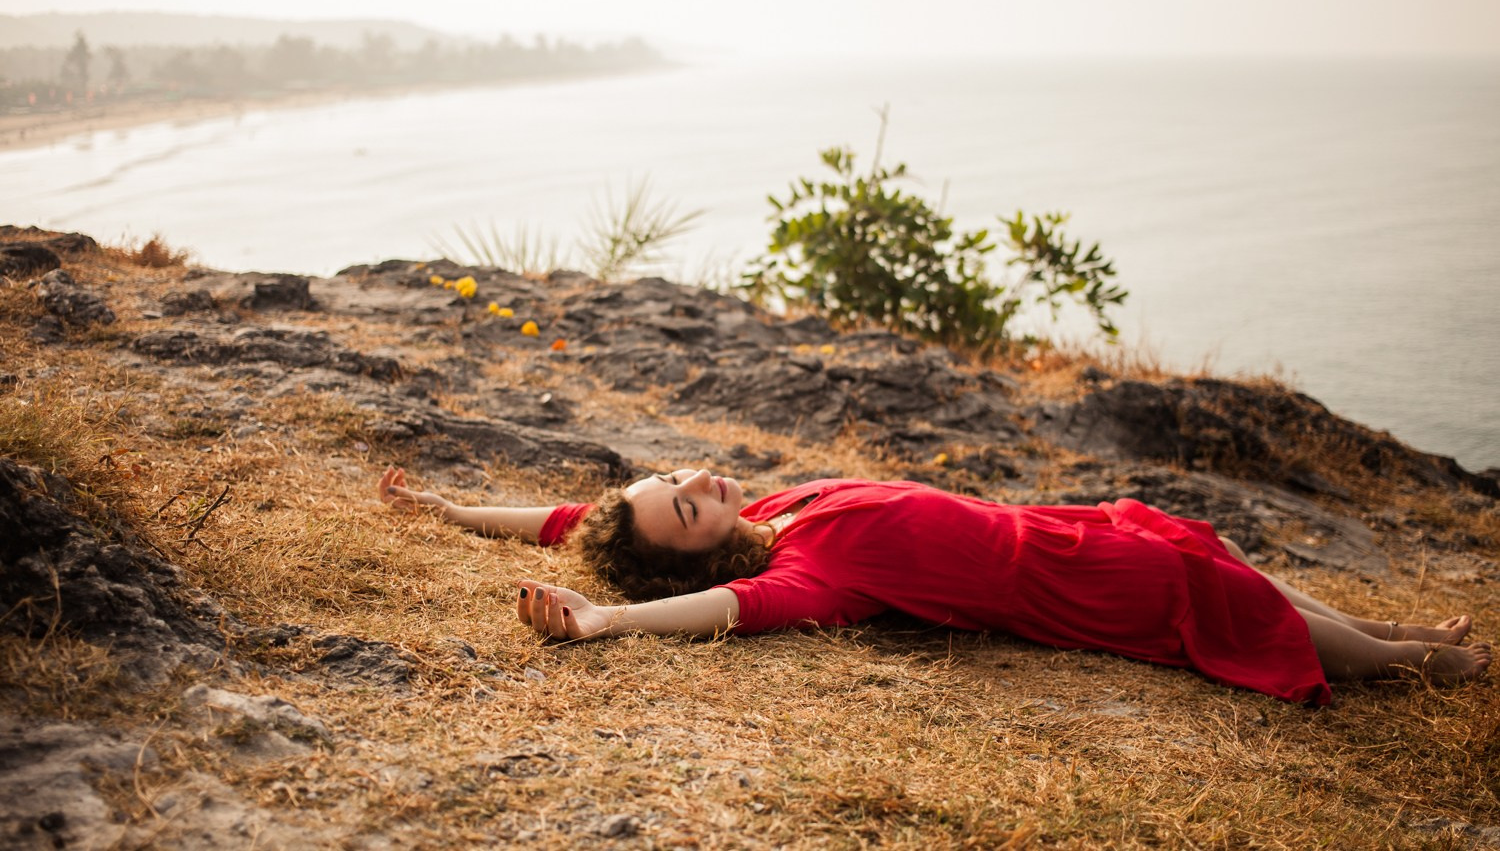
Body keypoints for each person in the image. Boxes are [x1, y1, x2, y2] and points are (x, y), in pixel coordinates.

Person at [377, 465, 1490, 704]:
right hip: (1075, 580)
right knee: (1243, 603)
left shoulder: (772, 515)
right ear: (700, 547)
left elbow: (575, 520)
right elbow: (726, 611)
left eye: (677, 477)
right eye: (688, 506)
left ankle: (1391, 627)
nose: (701, 482)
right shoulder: (811, 572)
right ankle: (1417, 663)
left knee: (1237, 571)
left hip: (1058, 526)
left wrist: (447, 511)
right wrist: (606, 617)